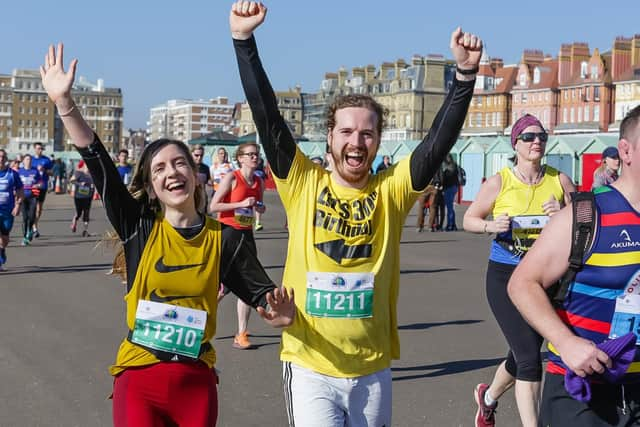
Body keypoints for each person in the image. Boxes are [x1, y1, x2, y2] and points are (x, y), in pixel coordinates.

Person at [231, 2, 482, 425]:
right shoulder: (302, 182)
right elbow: (268, 116)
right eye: (346, 131)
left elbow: (435, 144)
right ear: (329, 137)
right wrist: (244, 41)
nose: (357, 141)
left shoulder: (392, 192)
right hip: (310, 365)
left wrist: (465, 77)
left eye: (367, 133)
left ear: (378, 142)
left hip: (372, 369)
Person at [40, 42, 295, 427]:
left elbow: (264, 298)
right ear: (151, 183)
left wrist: (280, 316)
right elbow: (97, 160)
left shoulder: (225, 239)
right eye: (159, 168)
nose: (171, 172)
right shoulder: (139, 227)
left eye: (180, 163)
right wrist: (64, 103)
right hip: (139, 378)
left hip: (195, 384)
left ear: (196, 177)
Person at [508, 105, 640, 426]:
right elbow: (523, 283)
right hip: (584, 391)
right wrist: (566, 343)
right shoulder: (587, 215)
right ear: (626, 151)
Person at [463, 113, 576, 427]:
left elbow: (585, 224)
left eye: (541, 136)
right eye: (528, 137)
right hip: (506, 276)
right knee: (529, 360)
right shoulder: (500, 181)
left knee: (522, 353)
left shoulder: (560, 180)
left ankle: (487, 398)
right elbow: (468, 219)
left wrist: (565, 212)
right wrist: (490, 225)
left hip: (548, 278)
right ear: (516, 144)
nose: (536, 141)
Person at [210, 142, 267, 350]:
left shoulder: (259, 181)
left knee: (246, 284)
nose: (254, 157)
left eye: (256, 154)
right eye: (250, 154)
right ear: (240, 157)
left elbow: (259, 207)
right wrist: (240, 204)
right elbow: (214, 206)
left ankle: (241, 333)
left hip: (247, 234)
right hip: (228, 234)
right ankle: (200, 324)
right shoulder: (232, 177)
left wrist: (260, 206)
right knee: (220, 286)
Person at [0, 149, 24, 271]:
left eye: (3, 157)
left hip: (7, 211)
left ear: (6, 159)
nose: (0, 159)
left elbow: (20, 190)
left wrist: (18, 205)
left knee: (5, 238)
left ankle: (2, 249)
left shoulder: (12, 174)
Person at [18, 154, 43, 245]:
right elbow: (16, 184)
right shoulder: (19, 172)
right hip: (23, 196)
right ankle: (25, 237)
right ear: (23, 161)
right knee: (25, 218)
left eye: (30, 159)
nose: (29, 161)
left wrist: (38, 185)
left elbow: (40, 181)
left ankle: (30, 230)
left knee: (32, 216)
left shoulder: (35, 171)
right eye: (27, 159)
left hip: (33, 196)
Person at [31, 142, 53, 238]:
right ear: (35, 149)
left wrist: (45, 170)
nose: (40, 150)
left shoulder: (46, 160)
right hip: (34, 187)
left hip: (43, 186)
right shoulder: (31, 160)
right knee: (33, 206)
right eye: (38, 148)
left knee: (39, 209)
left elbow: (52, 172)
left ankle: (34, 224)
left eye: (41, 149)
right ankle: (34, 227)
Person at [69, 160, 95, 236]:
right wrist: (80, 184)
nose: (89, 167)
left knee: (86, 213)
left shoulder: (92, 175)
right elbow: (71, 180)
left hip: (88, 197)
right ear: (84, 165)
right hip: (79, 197)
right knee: (79, 213)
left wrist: (94, 189)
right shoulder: (78, 173)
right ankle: (74, 221)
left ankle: (85, 230)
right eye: (87, 165)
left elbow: (95, 184)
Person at [441, 153, 461, 231]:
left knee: (449, 207)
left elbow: (446, 179)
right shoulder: (455, 166)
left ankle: (450, 225)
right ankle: (453, 224)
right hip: (455, 187)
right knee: (451, 207)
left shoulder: (448, 168)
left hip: (448, 188)